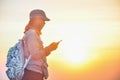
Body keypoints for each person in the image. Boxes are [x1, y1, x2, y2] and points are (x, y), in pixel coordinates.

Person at [22, 9, 60, 80]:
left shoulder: (33, 34)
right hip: (33, 74)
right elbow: (35, 54)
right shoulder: (32, 34)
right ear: (37, 20)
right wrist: (49, 48)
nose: (44, 23)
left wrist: (49, 49)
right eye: (43, 20)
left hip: (34, 73)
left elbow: (37, 54)